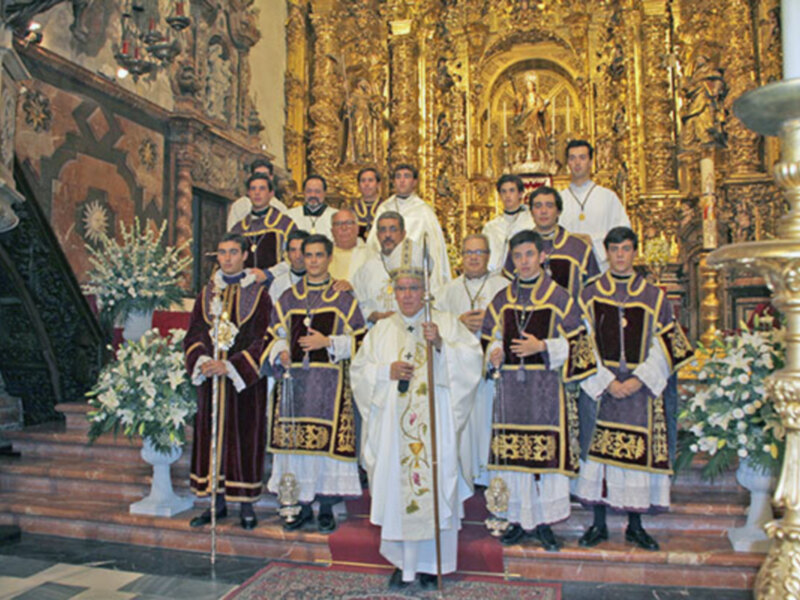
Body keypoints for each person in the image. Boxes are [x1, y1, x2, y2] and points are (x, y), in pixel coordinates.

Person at [351, 239, 482, 590]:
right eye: (401, 289)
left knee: (433, 490)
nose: (407, 295)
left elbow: (472, 362)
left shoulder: (445, 324)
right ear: (393, 292)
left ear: (425, 291)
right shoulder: (381, 331)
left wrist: (440, 346)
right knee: (398, 493)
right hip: (395, 432)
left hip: (435, 428)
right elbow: (359, 372)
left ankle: (430, 565)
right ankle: (402, 565)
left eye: (413, 288)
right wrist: (385, 372)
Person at [575, 227, 693, 551]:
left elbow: (668, 345)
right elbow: (581, 343)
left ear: (634, 251)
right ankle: (598, 525)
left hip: (640, 389)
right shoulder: (589, 294)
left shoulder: (654, 295)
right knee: (598, 455)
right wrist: (605, 382)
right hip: (603, 388)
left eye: (626, 249)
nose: (620, 256)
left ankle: (635, 526)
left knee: (637, 459)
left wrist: (639, 378)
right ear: (607, 252)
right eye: (614, 249)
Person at [481, 230, 598, 551]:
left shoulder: (560, 297)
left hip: (547, 392)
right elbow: (489, 335)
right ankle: (518, 520)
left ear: (543, 256)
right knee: (514, 458)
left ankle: (544, 523)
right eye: (517, 256)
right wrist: (493, 352)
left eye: (529, 255)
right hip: (511, 394)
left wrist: (542, 345)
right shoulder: (502, 298)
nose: (524, 262)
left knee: (545, 460)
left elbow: (580, 343)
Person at [263, 234, 366, 533]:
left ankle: (325, 508)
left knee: (325, 449)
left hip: (329, 386)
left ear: (330, 258)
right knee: (298, 449)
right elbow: (274, 332)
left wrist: (329, 341)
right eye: (308, 255)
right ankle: (300, 504)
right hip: (294, 383)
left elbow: (361, 338)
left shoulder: (344, 299)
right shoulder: (288, 297)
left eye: (319, 255)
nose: (313, 261)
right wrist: (280, 350)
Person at [185, 233, 273, 530]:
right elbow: (195, 331)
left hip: (243, 383)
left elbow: (263, 339)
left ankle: (246, 505)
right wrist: (202, 360)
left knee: (244, 439)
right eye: (222, 253)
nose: (227, 258)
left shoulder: (259, 294)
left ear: (245, 255)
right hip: (211, 379)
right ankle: (215, 503)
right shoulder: (208, 293)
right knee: (211, 439)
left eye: (233, 252)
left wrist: (231, 365)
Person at [435, 234, 507, 487]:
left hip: (492, 369)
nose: (473, 258)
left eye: (479, 253)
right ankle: (465, 476)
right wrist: (458, 323)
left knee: (488, 421)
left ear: (488, 256)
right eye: (468, 253)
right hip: (459, 373)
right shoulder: (448, 291)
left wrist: (489, 321)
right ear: (461, 257)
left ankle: (490, 476)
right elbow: (436, 326)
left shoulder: (502, 286)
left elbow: (514, 321)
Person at [366, 164, 451, 291]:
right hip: (387, 272)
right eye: (398, 177)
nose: (402, 180)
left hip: (414, 275)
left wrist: (434, 283)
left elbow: (434, 248)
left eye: (406, 176)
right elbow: (373, 244)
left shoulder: (424, 211)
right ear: (393, 181)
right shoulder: (384, 208)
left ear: (414, 182)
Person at [559, 140, 630, 272]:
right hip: (567, 270)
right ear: (567, 163)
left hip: (602, 268)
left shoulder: (608, 197)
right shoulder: (559, 199)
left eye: (582, 157)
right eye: (572, 158)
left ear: (591, 162)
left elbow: (623, 235)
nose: (577, 163)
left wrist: (592, 241)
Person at [529, 185, 600, 299]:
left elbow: (593, 292)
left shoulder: (579, 247)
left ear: (558, 211)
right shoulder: (519, 247)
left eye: (549, 205)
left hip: (571, 315)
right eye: (538, 206)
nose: (543, 211)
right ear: (531, 212)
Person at [229, 173, 296, 283]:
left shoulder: (285, 225)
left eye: (262, 188)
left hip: (276, 285)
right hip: (244, 288)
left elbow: (294, 258)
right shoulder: (238, 229)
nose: (257, 193)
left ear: (271, 194)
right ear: (248, 194)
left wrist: (268, 274)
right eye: (253, 189)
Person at [352, 211, 406, 327]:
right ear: (377, 235)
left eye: (393, 229)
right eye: (383, 230)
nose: (387, 235)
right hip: (375, 333)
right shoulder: (366, 268)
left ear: (403, 234)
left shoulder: (415, 266)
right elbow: (357, 303)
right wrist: (373, 315)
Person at [482, 174, 534, 276]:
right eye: (504, 191)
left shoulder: (531, 223)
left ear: (520, 194)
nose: (507, 195)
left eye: (512, 190)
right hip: (495, 279)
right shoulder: (491, 228)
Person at [227, 159, 288, 230]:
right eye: (257, 174)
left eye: (264, 175)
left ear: (271, 177)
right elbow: (231, 233)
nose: (261, 179)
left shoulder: (280, 207)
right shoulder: (239, 206)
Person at [329, 208, 373, 284]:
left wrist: (353, 288)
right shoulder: (323, 253)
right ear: (332, 230)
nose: (344, 228)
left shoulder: (371, 254)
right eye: (338, 224)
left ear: (357, 228)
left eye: (349, 223)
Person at [287, 175, 335, 240]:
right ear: (303, 192)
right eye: (309, 191)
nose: (313, 195)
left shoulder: (335, 216)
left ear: (325, 193)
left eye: (317, 191)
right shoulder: (290, 215)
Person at [269, 229, 309, 304]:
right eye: (293, 250)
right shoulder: (278, 284)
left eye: (302, 250)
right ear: (287, 254)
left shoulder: (319, 281)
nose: (298, 256)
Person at [353, 167, 384, 240]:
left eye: (370, 180)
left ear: (378, 184)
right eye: (363, 181)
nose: (366, 184)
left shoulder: (386, 207)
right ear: (358, 185)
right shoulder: (352, 210)